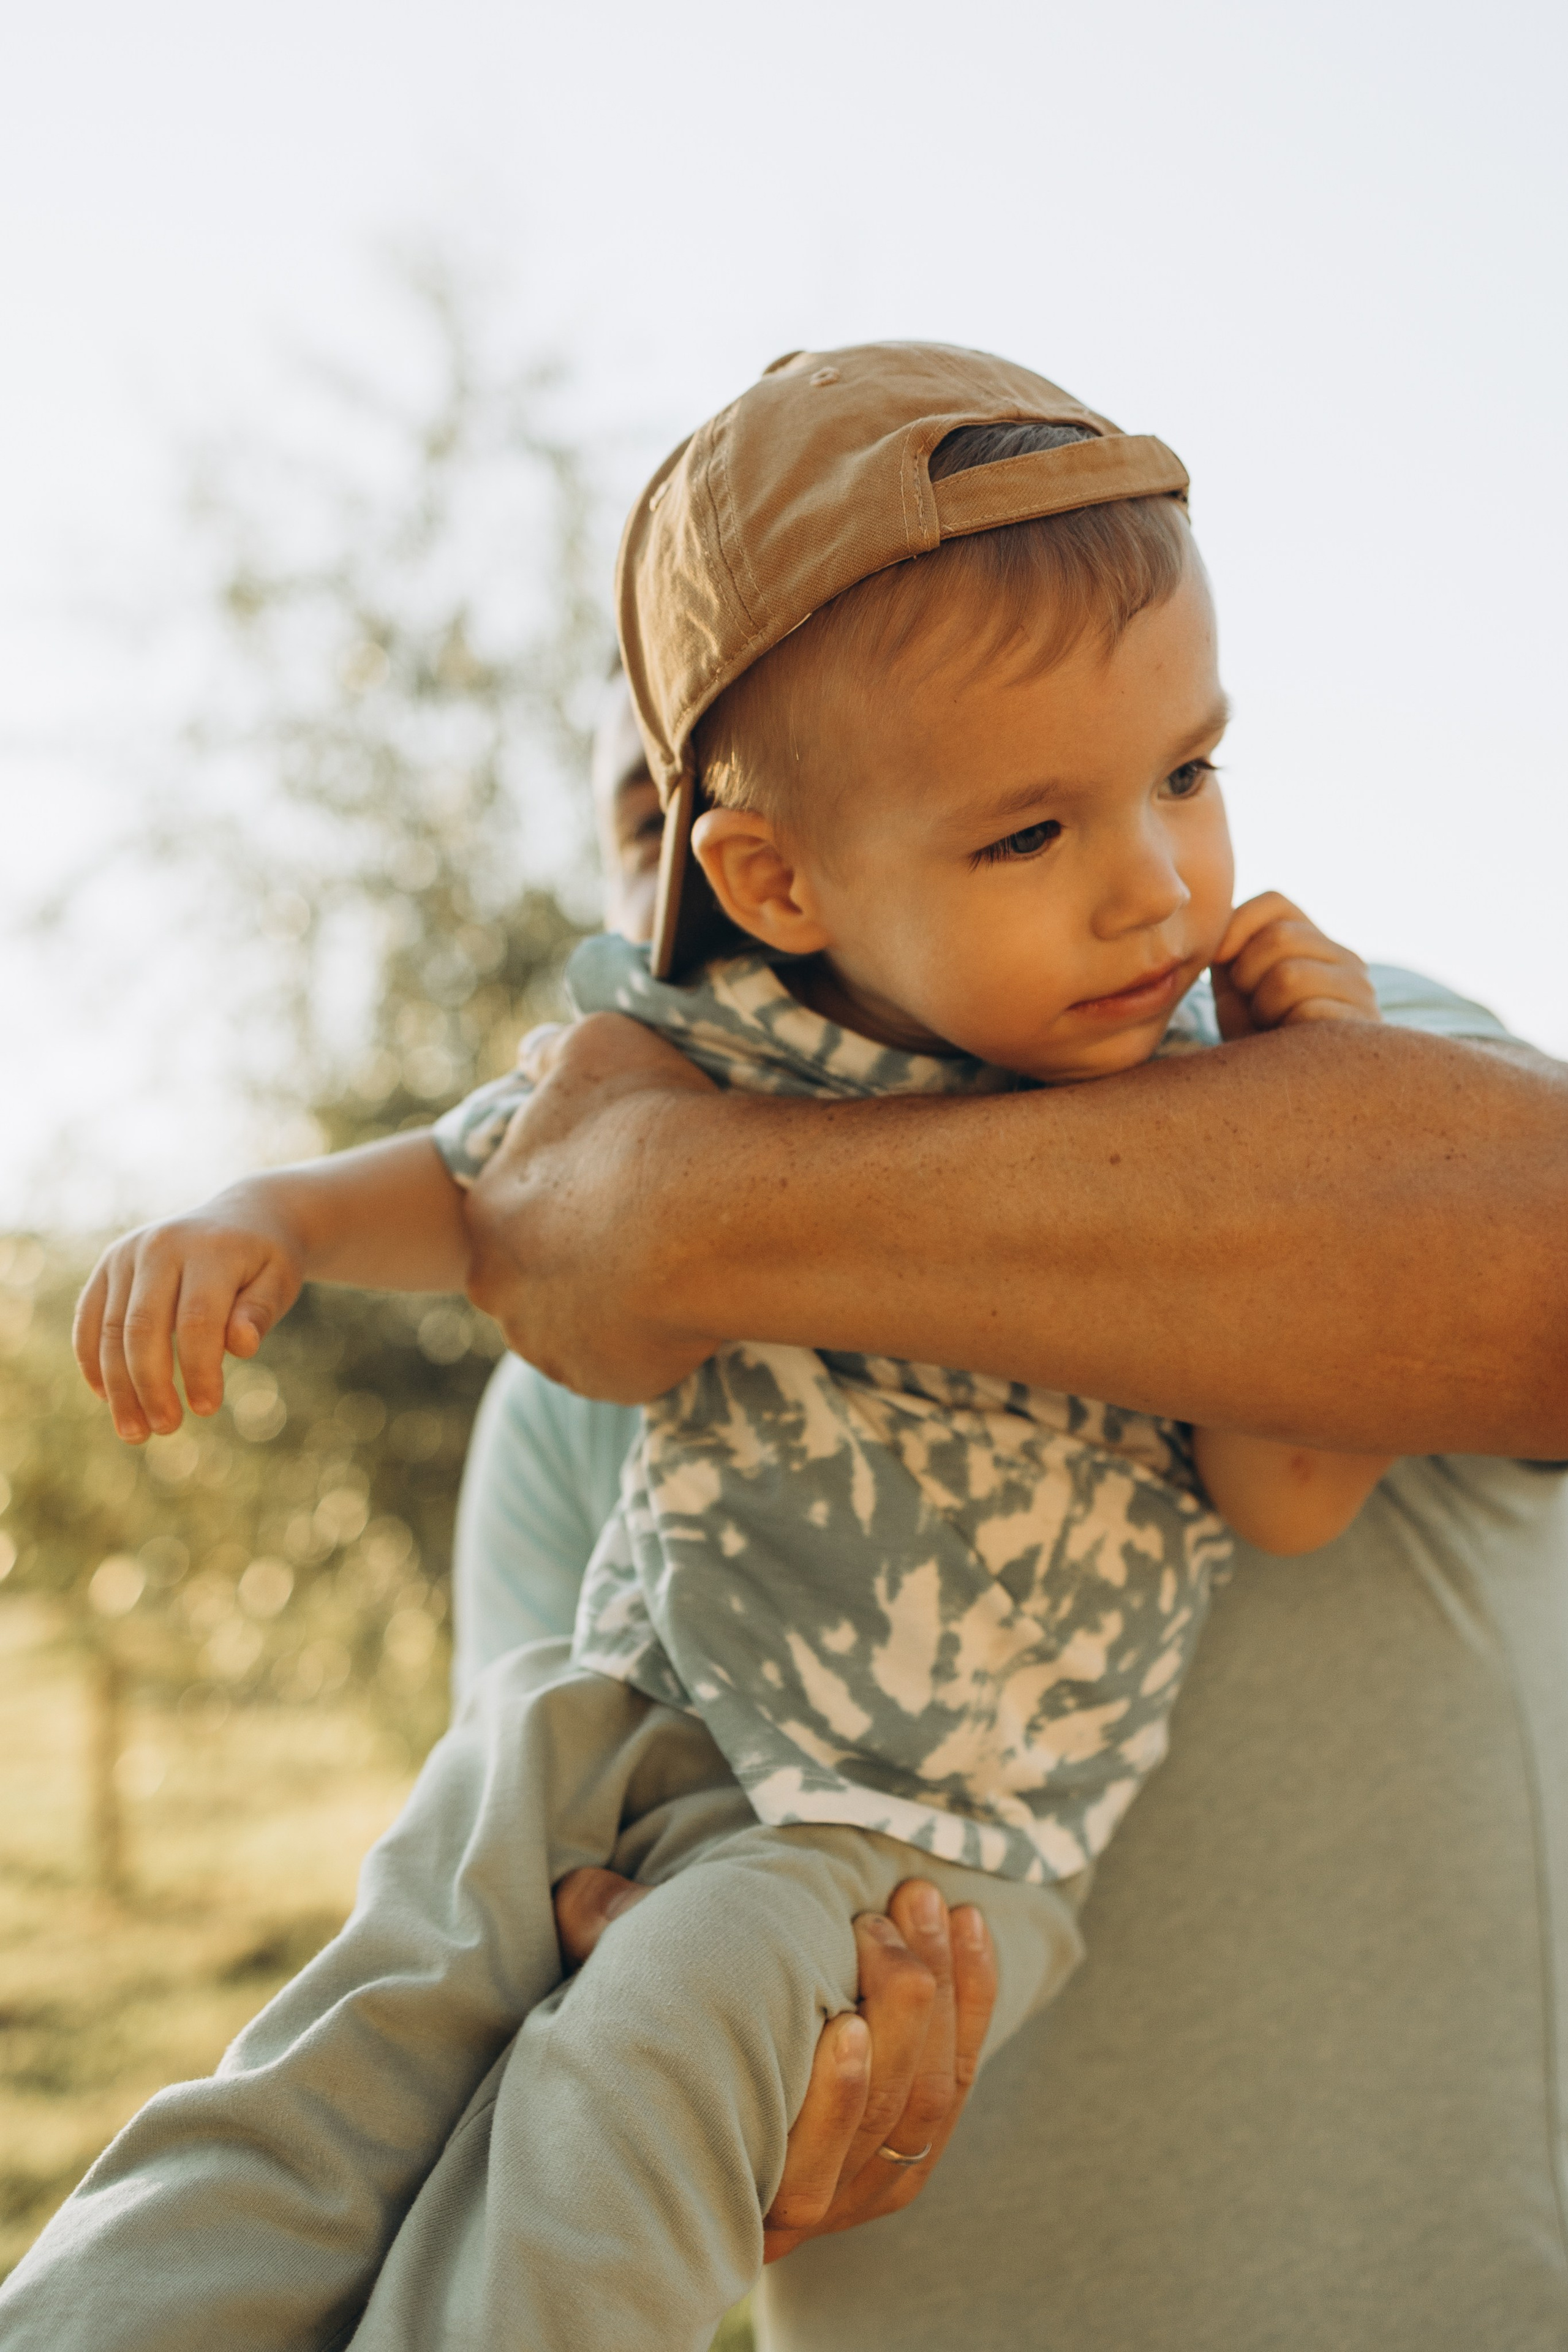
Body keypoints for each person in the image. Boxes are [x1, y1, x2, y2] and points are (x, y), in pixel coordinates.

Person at [18, 344, 1565, 2352]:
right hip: (649, 1741)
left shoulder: (1308, 1089)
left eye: (1187, 776)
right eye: (1029, 831)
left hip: (939, 1869)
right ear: (770, 876)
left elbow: (1291, 1480)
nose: (1157, 884)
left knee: (658, 2044)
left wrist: (1307, 1084)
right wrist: (267, 1222)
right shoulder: (677, 1123)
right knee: (351, 2048)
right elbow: (483, 1189)